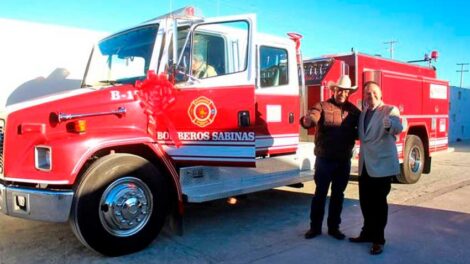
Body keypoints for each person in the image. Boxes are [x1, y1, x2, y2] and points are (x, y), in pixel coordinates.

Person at [301, 75, 360, 240]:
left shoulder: (354, 112)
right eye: (339, 89)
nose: (342, 93)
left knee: (338, 195)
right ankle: (315, 228)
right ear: (334, 90)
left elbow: (364, 127)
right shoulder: (322, 106)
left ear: (349, 93)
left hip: (343, 161)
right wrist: (308, 121)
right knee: (320, 194)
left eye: (345, 91)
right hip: (324, 160)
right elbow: (312, 117)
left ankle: (334, 228)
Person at [349, 81, 403, 255]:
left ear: (380, 94)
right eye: (367, 93)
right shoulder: (364, 112)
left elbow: (398, 125)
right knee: (365, 202)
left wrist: (390, 125)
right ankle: (366, 233)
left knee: (379, 205)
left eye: (373, 92)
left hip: (382, 165)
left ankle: (378, 240)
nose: (370, 95)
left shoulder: (389, 110)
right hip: (365, 164)